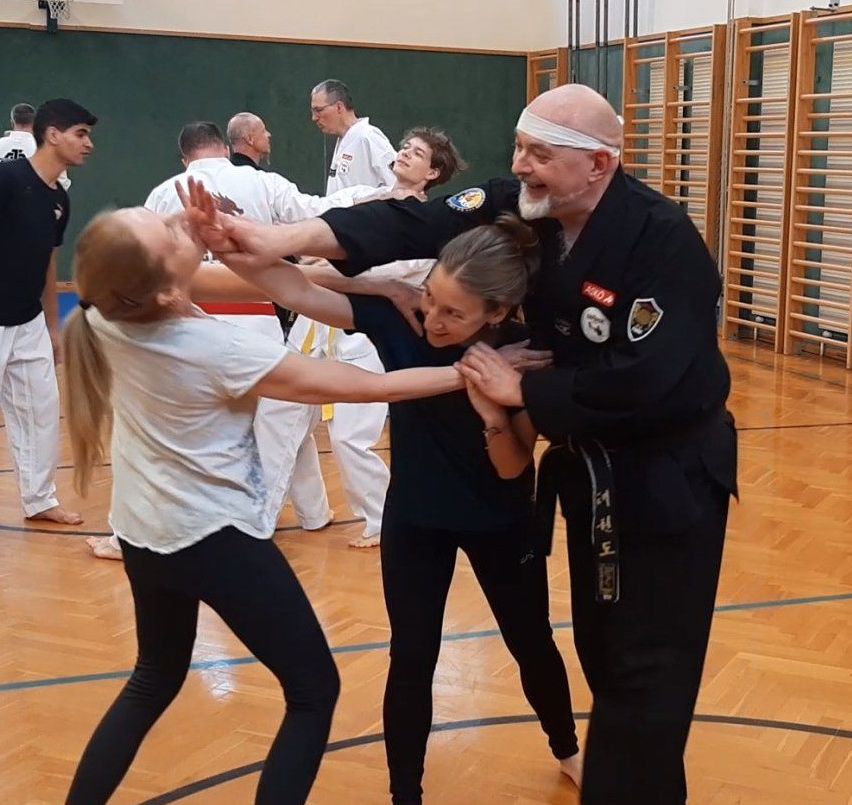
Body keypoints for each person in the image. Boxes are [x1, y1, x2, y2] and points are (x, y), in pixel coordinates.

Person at [184, 83, 739, 805]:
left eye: (541, 152)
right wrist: (274, 241)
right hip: (584, 471)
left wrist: (519, 396)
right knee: (607, 657)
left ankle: (614, 777)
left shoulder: (661, 241)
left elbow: (652, 378)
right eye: (519, 147)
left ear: (599, 165)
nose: (522, 166)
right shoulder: (523, 209)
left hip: (668, 476)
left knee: (646, 668)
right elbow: (405, 225)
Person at [185, 193, 582, 804]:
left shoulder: (524, 356)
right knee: (412, 655)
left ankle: (568, 749)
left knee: (529, 640)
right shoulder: (402, 316)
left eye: (454, 313)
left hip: (501, 520)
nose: (434, 320)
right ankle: (405, 794)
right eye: (430, 298)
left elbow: (510, 468)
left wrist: (490, 409)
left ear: (498, 313)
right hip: (416, 518)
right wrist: (235, 241)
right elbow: (294, 291)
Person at [61, 205, 465, 805]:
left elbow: (266, 278)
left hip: (145, 531)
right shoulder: (211, 346)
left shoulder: (103, 310)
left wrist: (370, 282)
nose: (175, 220)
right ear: (171, 289)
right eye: (164, 229)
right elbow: (372, 387)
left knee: (153, 678)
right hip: (213, 539)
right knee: (313, 692)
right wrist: (470, 371)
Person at [85, 119, 397, 559]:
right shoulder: (261, 182)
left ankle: (272, 518)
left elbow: (145, 266)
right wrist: (386, 194)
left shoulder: (163, 192)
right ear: (221, 146)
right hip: (257, 317)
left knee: (176, 433)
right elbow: (319, 209)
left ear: (185, 155)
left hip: (189, 325)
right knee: (281, 418)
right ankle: (305, 513)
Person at [0, 98, 96, 526]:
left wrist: (53, 325)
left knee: (42, 411)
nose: (88, 144)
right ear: (52, 134)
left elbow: (48, 261)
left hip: (29, 323)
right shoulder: (7, 179)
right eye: (81, 134)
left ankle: (39, 499)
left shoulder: (60, 199)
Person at [0, 102, 72, 189]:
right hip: (33, 199)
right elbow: (61, 181)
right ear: (35, 123)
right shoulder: (45, 147)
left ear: (12, 122)